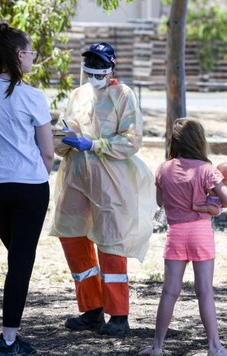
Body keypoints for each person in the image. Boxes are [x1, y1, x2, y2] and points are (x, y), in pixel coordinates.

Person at [49, 42, 156, 337]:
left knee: (111, 242)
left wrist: (96, 144)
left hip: (110, 182)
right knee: (73, 238)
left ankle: (118, 315)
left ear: (111, 68)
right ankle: (91, 309)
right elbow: (61, 129)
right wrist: (63, 139)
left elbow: (131, 139)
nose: (93, 76)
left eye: (99, 70)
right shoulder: (77, 95)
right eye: (89, 71)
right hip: (75, 178)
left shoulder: (123, 95)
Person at [0, 23, 54, 355]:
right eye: (31, 51)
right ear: (19, 55)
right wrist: (40, 176)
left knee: (17, 258)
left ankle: (10, 335)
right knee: (21, 262)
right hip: (29, 187)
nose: (33, 57)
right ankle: (7, 340)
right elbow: (48, 151)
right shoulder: (32, 96)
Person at [139, 118, 227, 356]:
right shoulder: (206, 170)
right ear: (199, 141)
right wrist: (213, 196)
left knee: (169, 291)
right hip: (200, 233)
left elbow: (160, 202)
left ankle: (157, 346)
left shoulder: (163, 168)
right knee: (204, 291)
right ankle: (214, 347)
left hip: (176, 234)